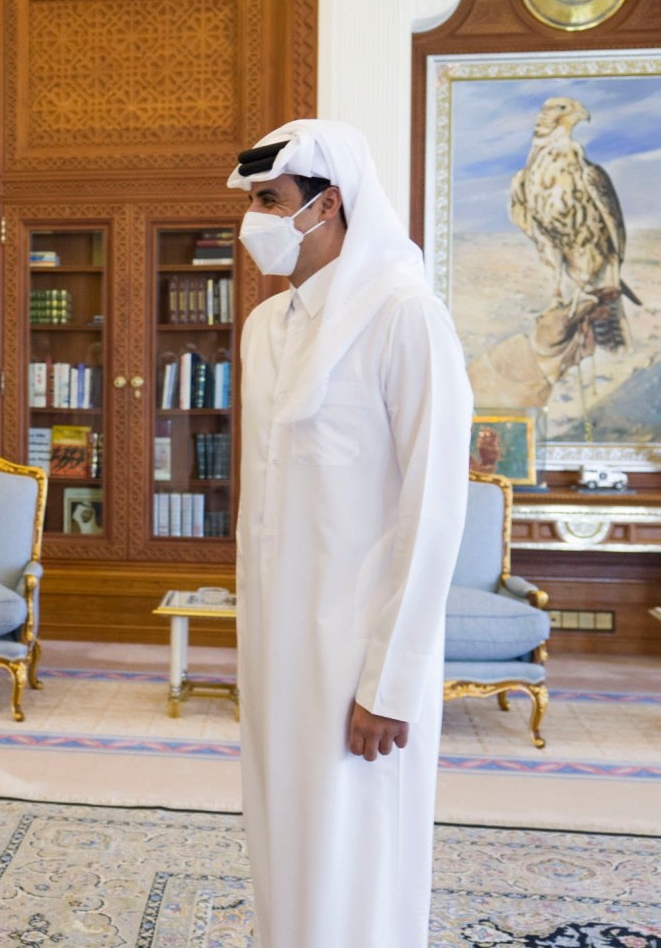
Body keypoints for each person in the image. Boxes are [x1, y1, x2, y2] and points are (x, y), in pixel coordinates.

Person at [227, 119, 473, 947]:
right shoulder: (265, 330)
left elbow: (434, 511)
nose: (251, 221)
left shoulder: (406, 317)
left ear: (327, 204)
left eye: (268, 200)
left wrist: (390, 681)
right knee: (282, 839)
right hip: (275, 644)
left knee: (357, 854)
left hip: (358, 656)